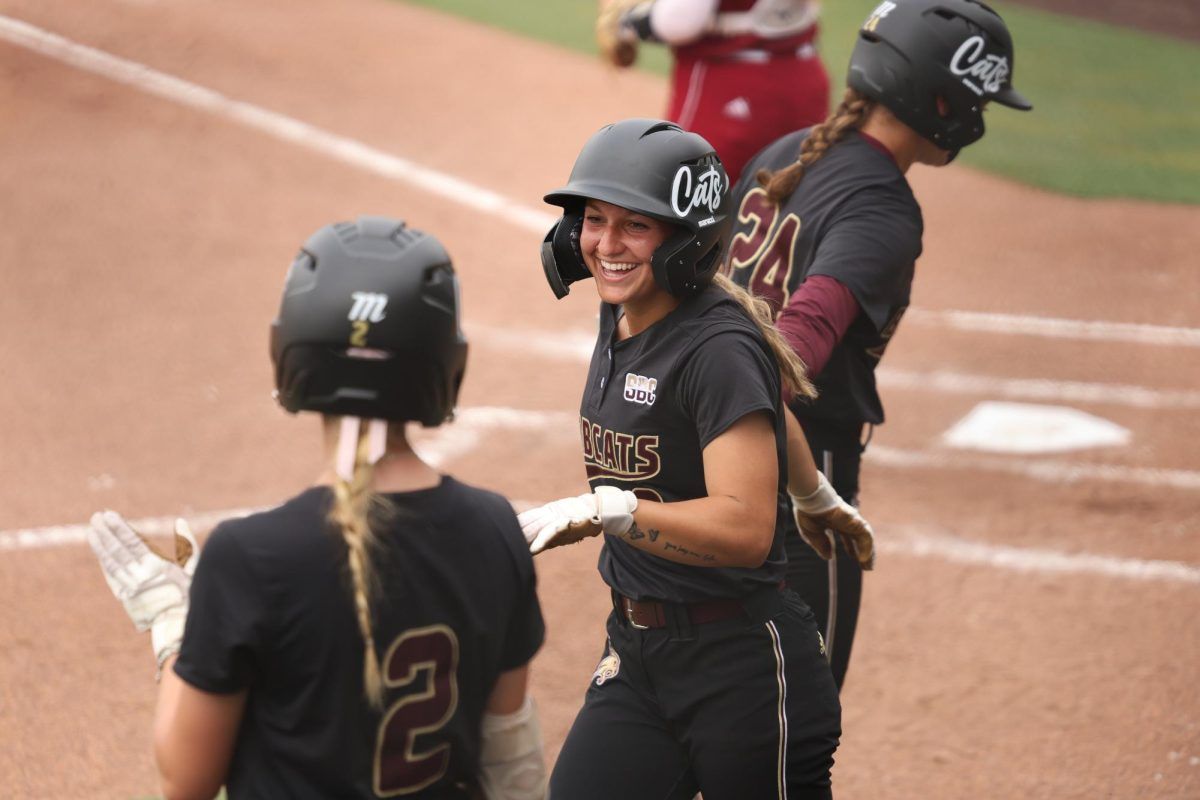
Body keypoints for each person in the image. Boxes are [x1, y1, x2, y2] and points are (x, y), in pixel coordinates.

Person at [86, 216, 549, 800]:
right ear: (443, 362)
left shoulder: (250, 557)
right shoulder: (494, 530)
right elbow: (512, 765)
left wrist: (174, 626)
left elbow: (186, 781)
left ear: (293, 352)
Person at [521, 118, 874, 799]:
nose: (606, 246)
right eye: (594, 220)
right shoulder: (626, 307)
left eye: (635, 226)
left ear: (686, 241)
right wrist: (812, 494)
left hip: (741, 669)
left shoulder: (715, 347)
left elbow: (745, 532)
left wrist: (611, 511)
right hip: (637, 651)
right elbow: (764, 406)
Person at [725, 0, 1032, 688]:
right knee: (796, 733)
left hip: (704, 468)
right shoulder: (883, 208)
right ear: (943, 99)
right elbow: (801, 338)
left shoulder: (788, 151)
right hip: (798, 484)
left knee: (693, 711)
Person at [596, 0, 831, 184]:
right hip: (805, 77)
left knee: (687, 195)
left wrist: (628, 22)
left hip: (730, 89)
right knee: (793, 204)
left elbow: (681, 20)